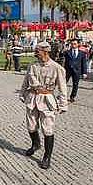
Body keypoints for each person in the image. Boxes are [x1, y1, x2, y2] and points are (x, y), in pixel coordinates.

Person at [19, 41, 68, 170]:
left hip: (47, 100)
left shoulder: (56, 67)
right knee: (31, 126)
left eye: (38, 51)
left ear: (45, 51)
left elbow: (63, 88)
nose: (35, 53)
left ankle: (47, 156)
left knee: (48, 129)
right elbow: (26, 81)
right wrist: (22, 93)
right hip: (32, 99)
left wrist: (63, 104)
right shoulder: (33, 65)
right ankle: (35, 144)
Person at [63, 39, 87, 103]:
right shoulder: (67, 52)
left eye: (75, 44)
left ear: (78, 44)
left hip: (77, 70)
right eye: (72, 44)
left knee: (75, 84)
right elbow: (61, 56)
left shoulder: (82, 53)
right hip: (68, 70)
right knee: (63, 83)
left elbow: (84, 63)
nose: (73, 45)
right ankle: (63, 96)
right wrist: (63, 50)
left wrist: (84, 72)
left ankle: (72, 96)